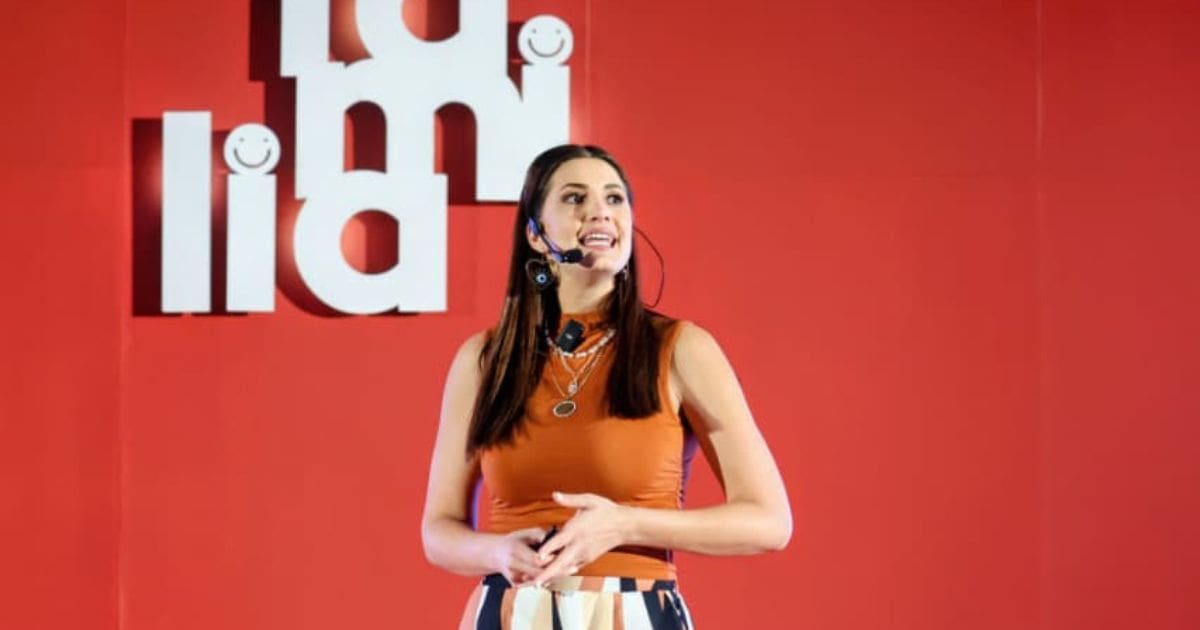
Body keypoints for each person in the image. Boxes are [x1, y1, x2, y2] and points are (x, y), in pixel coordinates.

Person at [421, 144, 792, 629]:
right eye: (575, 198)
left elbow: (768, 522)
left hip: (633, 610)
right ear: (535, 234)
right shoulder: (485, 359)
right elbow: (439, 532)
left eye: (615, 199)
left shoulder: (681, 348)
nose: (600, 211)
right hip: (513, 610)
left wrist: (625, 525)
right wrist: (496, 551)